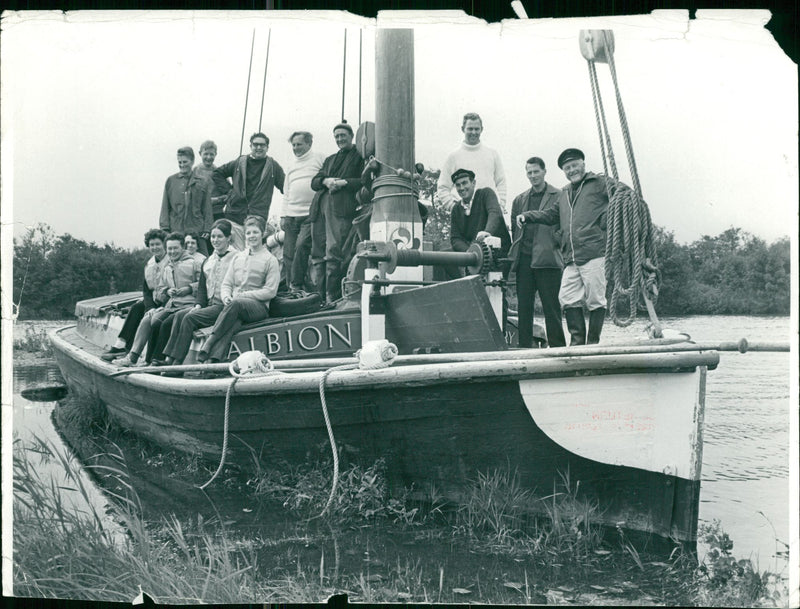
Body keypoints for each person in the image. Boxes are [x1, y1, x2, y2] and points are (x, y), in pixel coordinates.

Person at [523, 148, 610, 345]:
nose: (572, 170)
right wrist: (528, 216)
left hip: (594, 252)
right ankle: (578, 343)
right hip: (571, 256)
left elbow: (623, 196)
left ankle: (592, 343)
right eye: (567, 168)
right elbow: (550, 215)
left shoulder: (598, 183)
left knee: (596, 299)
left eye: (574, 165)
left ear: (583, 164)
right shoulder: (565, 193)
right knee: (567, 296)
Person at [197, 215, 280, 363]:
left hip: (259, 308)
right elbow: (227, 284)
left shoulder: (270, 260)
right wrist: (226, 297)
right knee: (234, 322)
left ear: (263, 234)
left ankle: (210, 340)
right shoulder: (238, 257)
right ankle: (214, 360)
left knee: (236, 304)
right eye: (248, 233)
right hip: (237, 305)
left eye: (255, 232)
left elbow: (270, 291)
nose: (251, 236)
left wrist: (245, 295)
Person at [113, 232, 201, 366]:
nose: (172, 251)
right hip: (171, 304)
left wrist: (189, 288)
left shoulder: (194, 263)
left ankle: (153, 359)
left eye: (175, 248)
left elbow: (203, 285)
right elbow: (159, 289)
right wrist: (167, 291)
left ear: (182, 247)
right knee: (147, 319)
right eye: (170, 248)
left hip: (188, 304)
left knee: (158, 322)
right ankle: (132, 357)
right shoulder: (167, 267)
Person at [162, 219, 238, 365]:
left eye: (219, 236)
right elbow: (202, 288)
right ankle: (169, 357)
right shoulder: (209, 260)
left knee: (190, 318)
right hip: (209, 304)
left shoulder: (237, 257)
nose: (215, 240)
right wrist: (198, 305)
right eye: (213, 237)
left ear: (229, 237)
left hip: (224, 306)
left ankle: (178, 361)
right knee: (180, 315)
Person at [510, 157, 566, 348]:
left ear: (544, 171)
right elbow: (514, 230)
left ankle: (558, 350)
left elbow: (563, 227)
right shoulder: (519, 200)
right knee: (524, 310)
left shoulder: (559, 195)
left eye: (536, 171)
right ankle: (524, 349)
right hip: (524, 261)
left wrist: (556, 243)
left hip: (548, 261)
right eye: (529, 172)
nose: (533, 176)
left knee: (552, 309)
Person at [310, 121, 364, 304]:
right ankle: (318, 297)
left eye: (343, 135)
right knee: (318, 251)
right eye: (337, 136)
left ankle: (333, 296)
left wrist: (343, 183)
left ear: (351, 136)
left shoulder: (359, 155)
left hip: (340, 208)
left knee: (334, 250)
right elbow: (315, 181)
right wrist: (326, 181)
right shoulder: (330, 159)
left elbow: (363, 180)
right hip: (319, 208)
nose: (340, 139)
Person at [100, 229, 169, 361]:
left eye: (158, 244)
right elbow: (146, 290)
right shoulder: (150, 264)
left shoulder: (170, 261)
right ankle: (122, 344)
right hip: (154, 301)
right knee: (137, 308)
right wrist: (150, 307)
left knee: (151, 318)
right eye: (152, 245)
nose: (155, 247)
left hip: (167, 301)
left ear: (164, 244)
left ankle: (139, 353)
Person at [212, 132, 285, 251]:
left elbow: (285, 187)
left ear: (267, 147)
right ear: (250, 146)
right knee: (234, 253)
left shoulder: (272, 166)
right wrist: (230, 192)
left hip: (257, 217)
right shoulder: (239, 162)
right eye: (255, 144)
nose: (259, 147)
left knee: (252, 252)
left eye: (262, 145)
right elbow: (217, 174)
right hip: (234, 215)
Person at [281, 131, 326, 291]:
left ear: (309, 144)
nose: (295, 148)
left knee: (301, 247)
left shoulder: (320, 158)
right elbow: (287, 191)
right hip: (291, 215)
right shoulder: (291, 164)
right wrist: (283, 214)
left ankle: (296, 285)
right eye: (293, 145)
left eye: (299, 144)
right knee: (288, 254)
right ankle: (290, 289)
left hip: (310, 214)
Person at [437, 112, 507, 211]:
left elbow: (501, 182)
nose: (473, 132)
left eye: (476, 129)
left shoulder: (492, 154)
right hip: (465, 216)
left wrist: (500, 205)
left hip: (489, 212)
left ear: (481, 129)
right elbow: (443, 187)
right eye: (470, 129)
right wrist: (454, 209)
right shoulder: (453, 156)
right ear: (463, 129)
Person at [449, 168, 511, 267]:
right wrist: (469, 252)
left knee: (497, 280)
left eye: (465, 183)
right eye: (458, 185)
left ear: (473, 183)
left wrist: (487, 232)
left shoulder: (486, 194)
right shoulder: (456, 209)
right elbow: (455, 238)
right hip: (476, 258)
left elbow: (495, 213)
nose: (461, 188)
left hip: (499, 256)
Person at [159, 147, 213, 256]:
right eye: (180, 162)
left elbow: (207, 208)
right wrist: (164, 228)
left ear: (192, 161)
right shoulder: (171, 181)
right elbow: (165, 206)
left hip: (197, 231)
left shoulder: (202, 182)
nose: (182, 165)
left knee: (202, 261)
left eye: (185, 162)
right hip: (176, 230)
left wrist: (207, 229)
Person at [193, 140, 232, 222]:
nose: (208, 157)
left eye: (211, 154)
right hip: (199, 215)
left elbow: (229, 194)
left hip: (216, 214)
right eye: (206, 154)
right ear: (200, 153)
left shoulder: (219, 172)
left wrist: (220, 199)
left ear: (216, 154)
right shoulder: (195, 171)